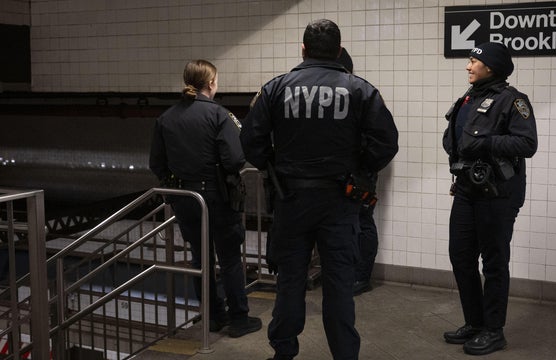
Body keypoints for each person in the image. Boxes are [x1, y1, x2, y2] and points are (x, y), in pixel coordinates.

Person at [240, 19, 398, 360]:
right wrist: (359, 167)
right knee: (339, 285)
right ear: (339, 51)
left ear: (303, 49)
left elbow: (250, 141)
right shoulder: (360, 90)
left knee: (290, 282)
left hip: (290, 200)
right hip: (340, 201)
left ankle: (283, 352)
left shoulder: (275, 88)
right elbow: (387, 143)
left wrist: (273, 164)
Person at [149, 59, 262, 338]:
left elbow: (157, 164)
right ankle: (238, 319)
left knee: (200, 258)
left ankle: (212, 317)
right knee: (230, 258)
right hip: (218, 197)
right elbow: (235, 158)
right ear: (211, 82)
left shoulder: (166, 117)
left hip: (186, 198)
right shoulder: (218, 115)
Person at [441, 42, 538, 355]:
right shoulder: (468, 98)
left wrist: (486, 144)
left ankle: (494, 330)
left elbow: (526, 143)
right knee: (460, 256)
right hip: (467, 191)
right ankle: (476, 322)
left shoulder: (513, 101)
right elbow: (457, 140)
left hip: (498, 195)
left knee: (494, 263)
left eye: (473, 61)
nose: (468, 66)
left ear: (491, 67)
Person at [335, 48, 379, 296]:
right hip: (350, 171)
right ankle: (349, 273)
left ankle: (361, 277)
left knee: (362, 220)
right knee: (352, 221)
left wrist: (364, 168)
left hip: (360, 172)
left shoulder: (359, 92)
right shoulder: (357, 92)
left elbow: (382, 139)